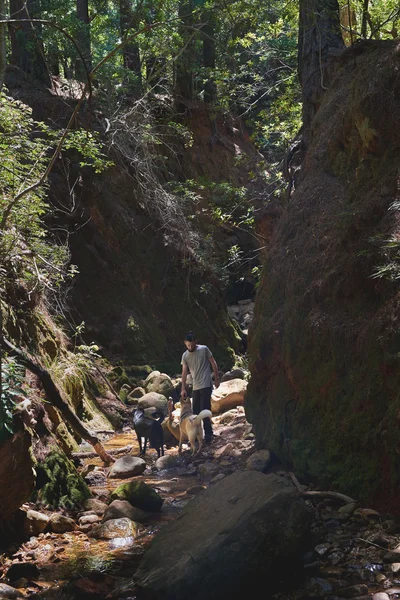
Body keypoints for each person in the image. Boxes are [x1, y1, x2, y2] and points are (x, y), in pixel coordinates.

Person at [180, 331, 220, 444]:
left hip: (206, 384)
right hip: (195, 386)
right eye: (188, 345)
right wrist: (183, 388)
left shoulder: (204, 349)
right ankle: (196, 435)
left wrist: (216, 378)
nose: (190, 347)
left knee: (205, 408)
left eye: (192, 345)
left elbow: (213, 362)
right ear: (185, 343)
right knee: (195, 412)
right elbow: (184, 372)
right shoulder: (185, 355)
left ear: (195, 342)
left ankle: (208, 434)